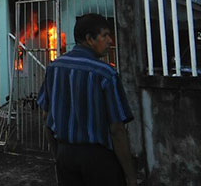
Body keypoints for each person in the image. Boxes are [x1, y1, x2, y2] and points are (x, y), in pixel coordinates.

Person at [37, 14, 137, 186]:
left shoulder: (54, 68)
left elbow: (46, 116)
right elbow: (117, 129)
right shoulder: (106, 73)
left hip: (65, 154)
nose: (110, 41)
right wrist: (130, 176)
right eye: (105, 35)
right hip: (98, 160)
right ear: (89, 39)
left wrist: (58, 156)